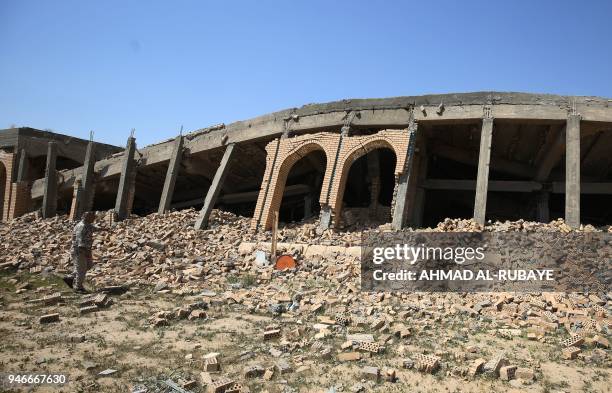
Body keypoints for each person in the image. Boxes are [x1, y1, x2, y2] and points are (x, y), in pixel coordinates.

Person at [63, 211, 95, 293]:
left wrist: (104, 229)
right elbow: (80, 243)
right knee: (82, 269)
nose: (94, 218)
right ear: (85, 217)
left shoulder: (88, 225)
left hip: (86, 249)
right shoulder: (81, 227)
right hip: (79, 251)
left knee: (88, 266)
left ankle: (69, 278)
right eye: (92, 217)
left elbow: (93, 228)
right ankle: (78, 287)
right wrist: (86, 253)